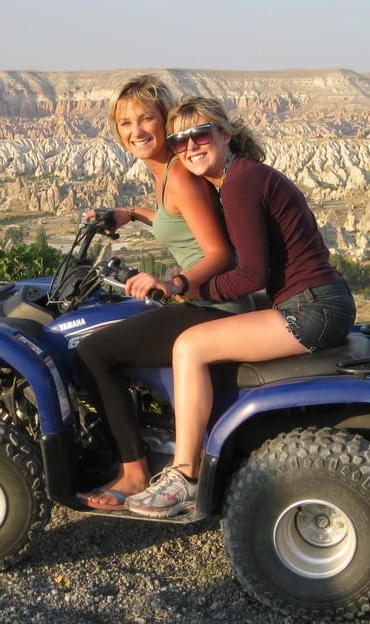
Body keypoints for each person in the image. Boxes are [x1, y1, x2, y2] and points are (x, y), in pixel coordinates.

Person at [125, 96, 357, 518]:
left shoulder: (237, 185)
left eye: (200, 135)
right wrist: (134, 214)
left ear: (224, 134)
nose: (190, 146)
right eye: (179, 141)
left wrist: (184, 288)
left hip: (311, 310)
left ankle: (185, 476)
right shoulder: (241, 176)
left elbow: (249, 275)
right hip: (322, 300)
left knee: (189, 347)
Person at [74, 77, 254, 510]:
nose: (136, 130)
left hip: (214, 306)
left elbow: (221, 254)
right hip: (200, 299)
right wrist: (131, 213)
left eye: (146, 119)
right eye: (125, 123)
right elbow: (176, 221)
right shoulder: (167, 172)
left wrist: (171, 283)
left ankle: (135, 473)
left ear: (165, 120)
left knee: (94, 353)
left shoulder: (179, 178)